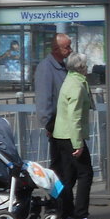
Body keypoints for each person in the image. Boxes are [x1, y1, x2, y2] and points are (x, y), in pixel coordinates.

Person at [52, 51, 97, 219]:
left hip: (61, 134)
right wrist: (78, 144)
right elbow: (75, 117)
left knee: (68, 176)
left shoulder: (70, 80)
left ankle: (64, 212)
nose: (88, 68)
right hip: (71, 136)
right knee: (86, 173)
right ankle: (81, 215)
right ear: (81, 67)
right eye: (86, 65)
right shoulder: (77, 87)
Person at [34, 32, 73, 210]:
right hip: (56, 126)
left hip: (65, 125)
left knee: (66, 170)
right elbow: (44, 99)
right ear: (56, 49)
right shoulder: (46, 68)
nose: (70, 50)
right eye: (67, 47)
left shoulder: (62, 66)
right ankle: (57, 206)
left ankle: (62, 205)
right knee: (61, 170)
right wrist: (48, 124)